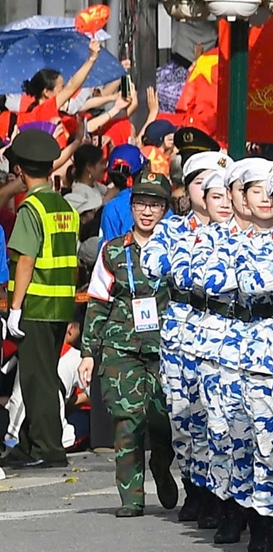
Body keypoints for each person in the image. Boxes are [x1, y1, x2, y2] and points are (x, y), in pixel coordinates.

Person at [80, 175, 179, 516]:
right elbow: (97, 301)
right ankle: (132, 496)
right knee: (127, 421)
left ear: (165, 209)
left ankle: (162, 466)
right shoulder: (113, 251)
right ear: (130, 206)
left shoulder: (176, 251)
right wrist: (88, 353)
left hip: (166, 346)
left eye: (155, 205)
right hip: (121, 346)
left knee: (163, 421)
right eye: (140, 203)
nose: (147, 212)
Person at [4, 129, 80, 469]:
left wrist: (16, 308)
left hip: (35, 304)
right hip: (61, 304)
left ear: (19, 171)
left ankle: (48, 448)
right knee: (42, 372)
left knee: (38, 379)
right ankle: (28, 442)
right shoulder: (64, 206)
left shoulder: (31, 209)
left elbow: (25, 260)